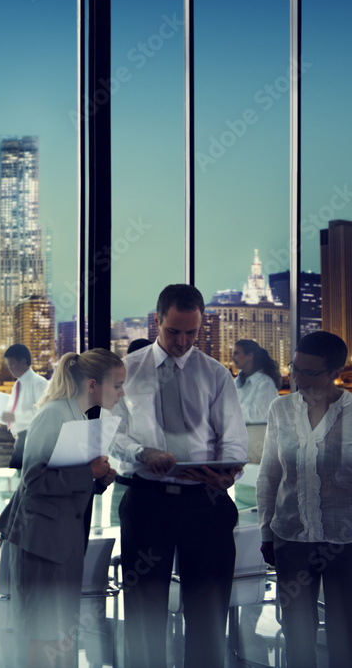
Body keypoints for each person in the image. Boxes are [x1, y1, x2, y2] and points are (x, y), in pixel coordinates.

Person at [110, 284, 248, 668]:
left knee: (207, 612)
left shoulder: (217, 374)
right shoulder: (126, 371)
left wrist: (228, 473)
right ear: (158, 321)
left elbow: (234, 440)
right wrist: (142, 453)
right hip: (147, 503)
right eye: (174, 331)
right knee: (144, 609)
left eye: (192, 332)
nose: (183, 341)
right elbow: (110, 435)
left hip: (205, 502)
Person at [0, 349, 123, 668]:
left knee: (59, 635)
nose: (122, 393)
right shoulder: (53, 414)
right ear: (93, 384)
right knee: (45, 635)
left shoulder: (77, 416)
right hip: (42, 544)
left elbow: (65, 477)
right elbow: (34, 481)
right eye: (117, 386)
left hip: (60, 543)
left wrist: (98, 479)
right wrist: (88, 473)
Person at [257, 331, 352, 668]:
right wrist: (266, 533)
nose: (298, 378)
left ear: (334, 372)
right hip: (291, 538)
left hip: (344, 541)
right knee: (297, 635)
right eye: (295, 368)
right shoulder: (281, 408)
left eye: (309, 373)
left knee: (345, 636)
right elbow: (269, 475)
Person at [1, 343, 49, 439]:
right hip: (18, 437)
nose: (9, 367)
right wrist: (4, 415)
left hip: (31, 436)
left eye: (11, 363)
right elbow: (13, 408)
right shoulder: (17, 384)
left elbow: (42, 414)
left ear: (23, 362)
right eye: (8, 364)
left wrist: (14, 417)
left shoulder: (39, 383)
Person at [232, 338, 282, 424]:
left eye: (236, 353)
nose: (232, 358)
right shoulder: (237, 381)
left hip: (256, 436)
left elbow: (260, 415)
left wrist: (230, 408)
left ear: (250, 356)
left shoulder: (266, 383)